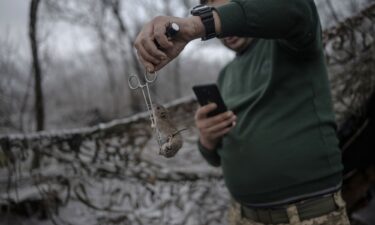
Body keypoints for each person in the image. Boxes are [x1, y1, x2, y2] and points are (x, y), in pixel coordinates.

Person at [134, 0, 351, 224]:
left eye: (228, 11)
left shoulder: (290, 41)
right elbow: (216, 157)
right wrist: (207, 140)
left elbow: (296, 9)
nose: (226, 28)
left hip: (308, 213)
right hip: (243, 214)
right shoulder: (227, 75)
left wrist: (197, 25)